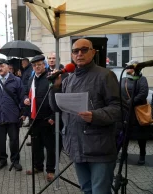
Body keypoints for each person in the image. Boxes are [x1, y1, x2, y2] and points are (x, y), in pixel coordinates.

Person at [53, 39, 121, 194]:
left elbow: (118, 108)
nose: (79, 54)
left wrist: (95, 116)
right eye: (75, 51)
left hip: (99, 148)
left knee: (100, 191)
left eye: (84, 50)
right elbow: (57, 108)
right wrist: (54, 88)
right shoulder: (68, 79)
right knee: (86, 189)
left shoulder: (105, 75)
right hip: (76, 145)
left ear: (93, 52)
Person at [23, 55, 56, 182]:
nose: (37, 67)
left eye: (40, 64)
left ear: (44, 65)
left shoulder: (50, 78)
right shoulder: (31, 78)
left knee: (50, 146)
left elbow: (56, 96)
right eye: (35, 65)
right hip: (34, 118)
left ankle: (50, 170)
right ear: (32, 67)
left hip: (47, 119)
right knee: (36, 145)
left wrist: (53, 116)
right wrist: (25, 98)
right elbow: (26, 92)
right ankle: (38, 166)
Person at [0, 59, 23, 171]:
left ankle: (15, 161)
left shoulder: (16, 80)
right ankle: (2, 160)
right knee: (0, 141)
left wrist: (22, 113)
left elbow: (22, 97)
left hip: (12, 116)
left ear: (8, 67)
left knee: (14, 140)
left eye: (2, 66)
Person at [121, 59, 149, 165]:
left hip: (138, 113)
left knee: (141, 137)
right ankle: (124, 155)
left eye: (129, 66)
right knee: (124, 136)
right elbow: (118, 92)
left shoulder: (142, 79)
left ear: (135, 68)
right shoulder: (123, 79)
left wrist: (129, 102)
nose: (127, 68)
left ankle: (142, 155)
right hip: (125, 113)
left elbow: (143, 93)